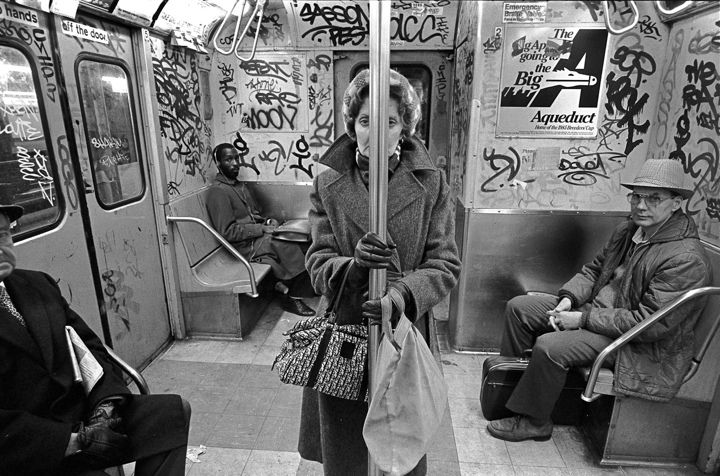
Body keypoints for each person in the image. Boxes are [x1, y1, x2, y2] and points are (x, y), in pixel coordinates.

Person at [298, 69, 461, 475]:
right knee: (348, 451)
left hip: (402, 328)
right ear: (352, 126)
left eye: (389, 122)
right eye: (366, 121)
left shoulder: (432, 184)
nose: (377, 133)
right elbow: (317, 262)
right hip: (345, 331)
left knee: (400, 443)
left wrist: (402, 295)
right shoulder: (328, 184)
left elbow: (444, 263)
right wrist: (352, 266)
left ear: (404, 127)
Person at [487, 159, 712, 442]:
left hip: (637, 342)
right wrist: (568, 299)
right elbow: (595, 270)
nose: (642, 206)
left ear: (676, 203)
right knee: (520, 308)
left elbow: (650, 324)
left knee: (550, 346)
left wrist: (581, 319)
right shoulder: (629, 231)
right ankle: (513, 388)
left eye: (654, 198)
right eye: (637, 196)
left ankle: (535, 421)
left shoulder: (685, 259)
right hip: (596, 313)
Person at [0, 203, 191, 476]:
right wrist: (70, 442)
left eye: (3, 235)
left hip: (83, 415)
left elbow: (90, 348)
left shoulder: (37, 285)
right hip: (34, 444)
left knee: (173, 414)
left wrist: (104, 410)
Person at [206, 143, 316, 317]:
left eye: (236, 158)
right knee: (286, 245)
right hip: (244, 246)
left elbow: (255, 215)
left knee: (300, 238)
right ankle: (290, 296)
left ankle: (298, 287)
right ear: (218, 164)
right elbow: (227, 232)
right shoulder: (218, 192)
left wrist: (269, 222)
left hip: (256, 238)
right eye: (228, 160)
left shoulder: (240, 187)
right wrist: (261, 229)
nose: (235, 163)